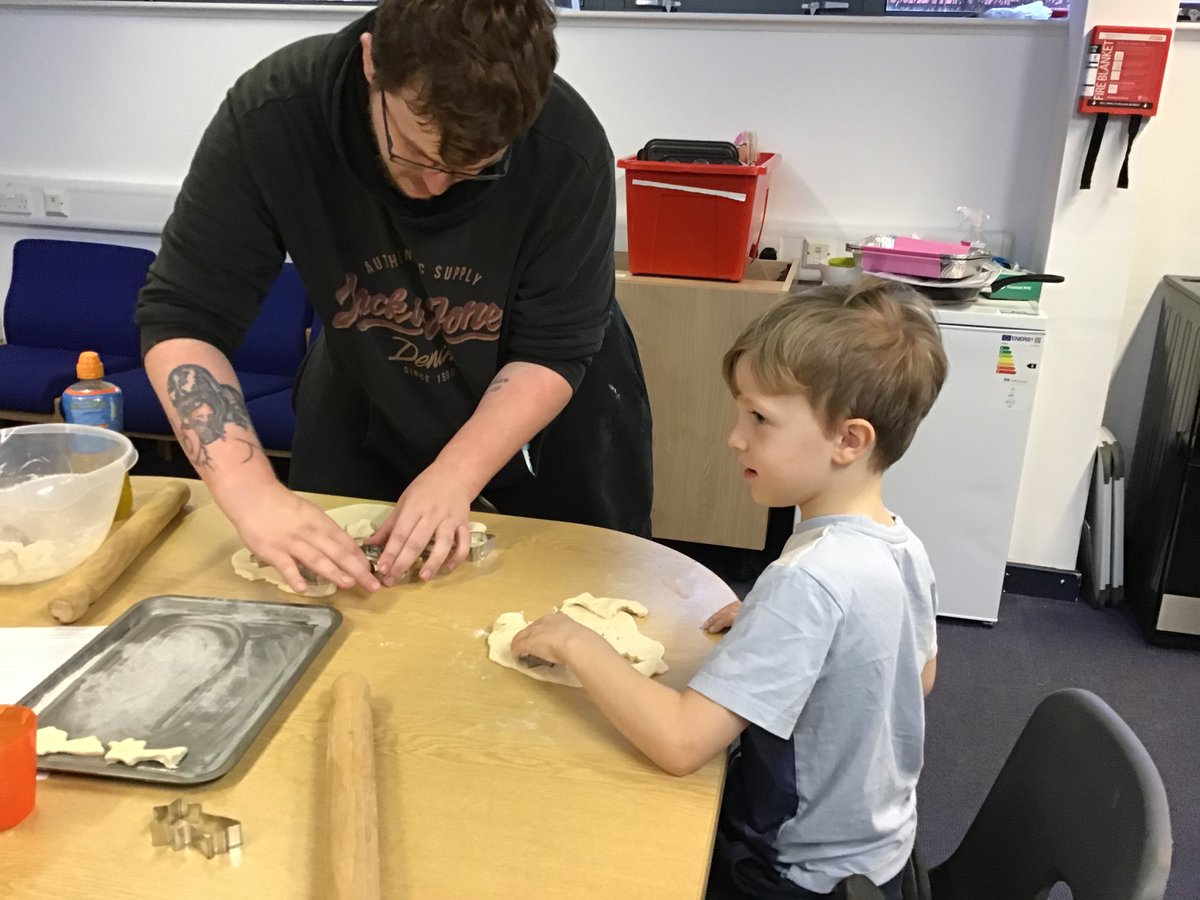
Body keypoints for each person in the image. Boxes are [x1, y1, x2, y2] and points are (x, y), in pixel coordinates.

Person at [135, 0, 652, 595]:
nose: (433, 188)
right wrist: (251, 493)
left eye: (473, 170)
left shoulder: (568, 147)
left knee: (560, 606)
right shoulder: (275, 115)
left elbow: (553, 347)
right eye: (413, 149)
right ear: (371, 61)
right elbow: (184, 316)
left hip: (548, 405)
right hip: (369, 383)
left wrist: (456, 474)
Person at [512, 277, 948, 899]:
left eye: (760, 419)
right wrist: (797, 643)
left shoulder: (808, 580)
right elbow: (919, 674)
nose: (735, 437)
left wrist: (578, 643)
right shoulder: (899, 545)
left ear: (848, 440)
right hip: (884, 856)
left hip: (799, 877)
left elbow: (681, 743)